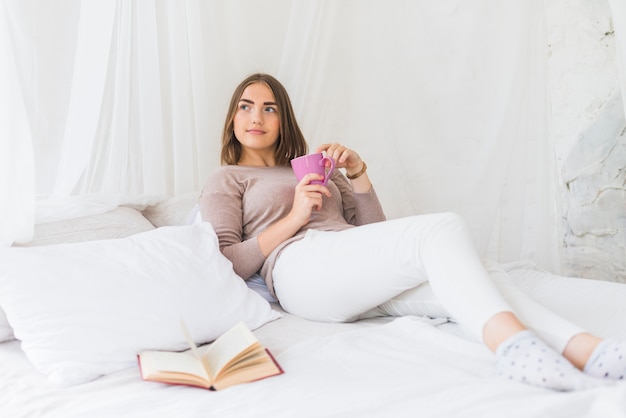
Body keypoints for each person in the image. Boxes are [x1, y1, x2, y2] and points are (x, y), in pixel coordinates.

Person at [199, 73, 625, 391]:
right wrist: (292, 219)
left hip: (347, 266)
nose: (257, 116)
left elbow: (379, 236)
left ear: (283, 118)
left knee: (481, 274)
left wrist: (358, 174)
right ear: (232, 117)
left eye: (269, 107)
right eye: (246, 105)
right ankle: (512, 347)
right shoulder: (228, 178)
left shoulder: (319, 170)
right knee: (443, 227)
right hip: (298, 270)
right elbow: (226, 262)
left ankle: (589, 350)